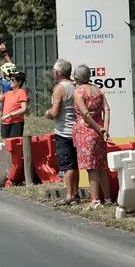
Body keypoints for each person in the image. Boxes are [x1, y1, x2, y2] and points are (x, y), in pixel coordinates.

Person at [72, 64, 113, 208]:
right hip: (99, 131)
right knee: (101, 166)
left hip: (86, 131)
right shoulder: (98, 90)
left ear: (76, 78)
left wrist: (97, 129)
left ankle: (95, 201)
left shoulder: (78, 92)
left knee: (91, 167)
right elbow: (107, 110)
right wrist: (104, 130)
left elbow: (85, 114)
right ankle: (107, 198)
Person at [45, 59, 79, 206]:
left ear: (58, 73)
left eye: (54, 71)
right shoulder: (76, 86)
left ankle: (69, 195)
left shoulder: (60, 88)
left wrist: (48, 113)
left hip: (64, 131)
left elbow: (55, 112)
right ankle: (75, 194)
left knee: (67, 165)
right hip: (76, 130)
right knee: (74, 164)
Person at [0, 71, 29, 139]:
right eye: (10, 79)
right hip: (5, 123)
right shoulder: (8, 93)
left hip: (16, 123)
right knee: (6, 143)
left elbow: (23, 109)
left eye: (13, 80)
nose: (10, 81)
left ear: (19, 82)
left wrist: (9, 115)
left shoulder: (21, 92)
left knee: (14, 143)